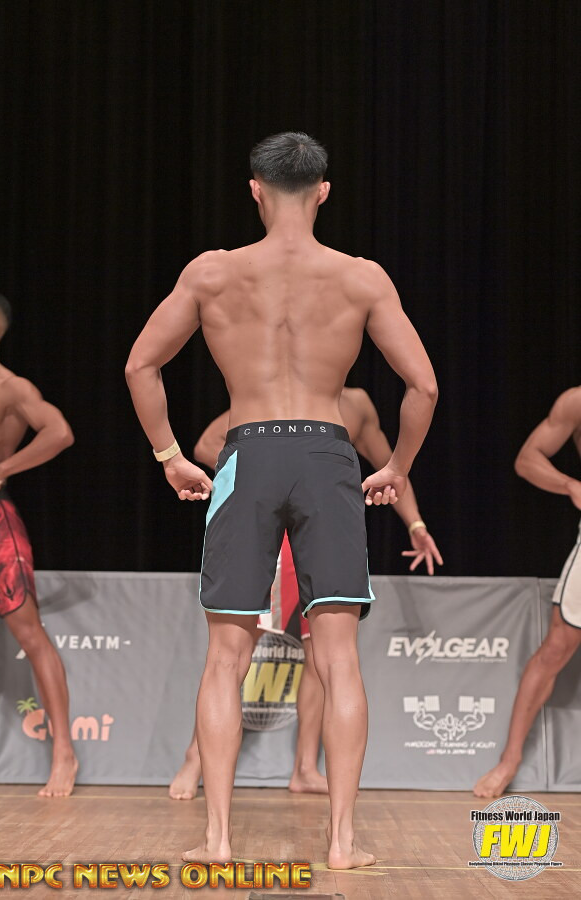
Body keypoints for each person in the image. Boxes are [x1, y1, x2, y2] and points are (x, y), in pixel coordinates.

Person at [126, 132, 437, 868]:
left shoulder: (212, 273)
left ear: (255, 190)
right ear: (324, 191)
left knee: (224, 657)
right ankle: (341, 843)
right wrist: (396, 466)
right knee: (339, 659)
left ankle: (217, 839)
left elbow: (141, 365)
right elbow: (423, 385)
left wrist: (170, 456)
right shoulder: (361, 277)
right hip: (328, 454)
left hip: (248, 452)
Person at [169, 386, 443, 801]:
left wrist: (416, 524)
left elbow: (391, 465)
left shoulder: (357, 404)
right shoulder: (278, 389)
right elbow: (208, 443)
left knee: (322, 649)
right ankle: (195, 758)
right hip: (270, 524)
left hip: (318, 521)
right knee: (238, 644)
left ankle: (304, 767)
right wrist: (262, 475)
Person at [0, 288, 77, 797]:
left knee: (31, 637)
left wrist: (0, 470)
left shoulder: (11, 387)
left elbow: (59, 432)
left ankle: (64, 753)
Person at [474, 386, 581, 798]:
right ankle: (509, 761)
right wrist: (569, 484)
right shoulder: (575, 401)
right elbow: (527, 459)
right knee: (556, 647)